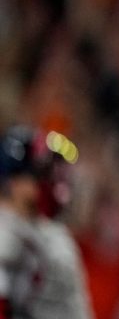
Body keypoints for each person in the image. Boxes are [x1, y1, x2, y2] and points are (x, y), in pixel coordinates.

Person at [0, 125, 93, 319]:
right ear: (12, 182)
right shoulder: (10, 231)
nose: (48, 183)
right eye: (38, 175)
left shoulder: (54, 236)